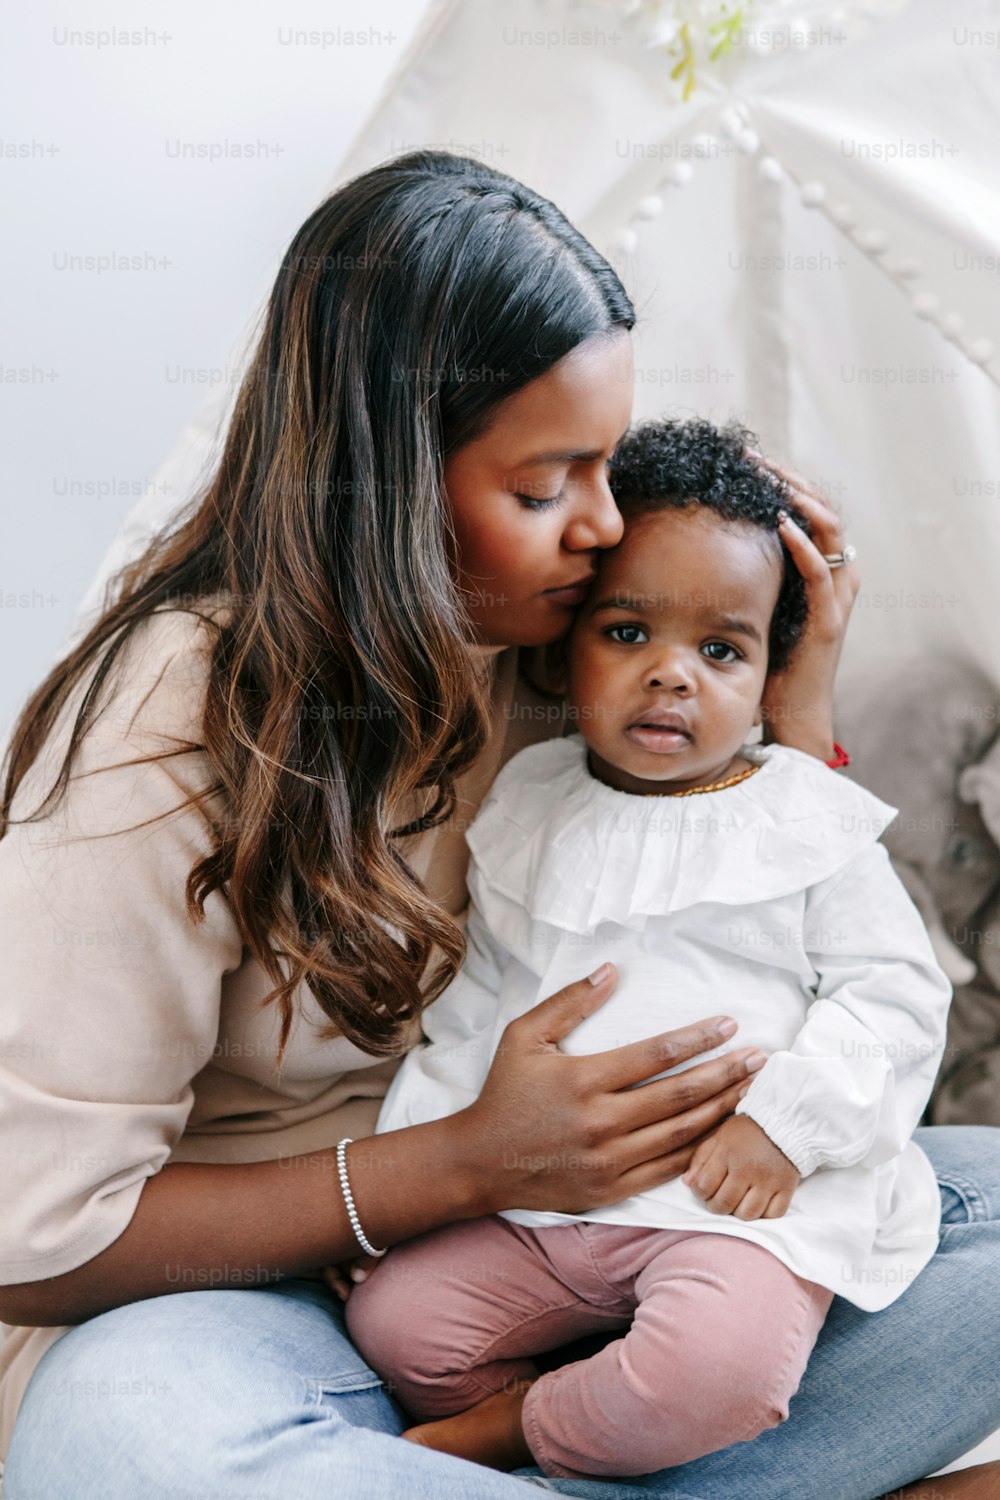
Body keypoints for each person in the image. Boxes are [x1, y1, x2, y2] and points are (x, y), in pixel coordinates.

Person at [0, 152, 997, 1500]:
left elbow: (834, 981)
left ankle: (559, 1446)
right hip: (286, 1303)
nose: (601, 529)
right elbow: (33, 1241)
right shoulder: (174, 717)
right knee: (124, 1443)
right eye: (542, 490)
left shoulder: (571, 656)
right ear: (387, 485)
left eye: (604, 467)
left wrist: (790, 715)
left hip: (640, 1240)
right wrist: (465, 1165)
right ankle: (609, 1449)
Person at [344, 417, 953, 1482]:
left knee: (719, 1374)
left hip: (735, 1209)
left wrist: (785, 1127)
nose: (672, 676)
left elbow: (897, 999)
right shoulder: (529, 803)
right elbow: (475, 1005)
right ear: (562, 643)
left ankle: (520, 1433)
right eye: (628, 633)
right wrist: (425, 1184)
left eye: (720, 649)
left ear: (771, 675)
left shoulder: (805, 815)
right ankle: (588, 1419)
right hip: (546, 1206)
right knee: (401, 1329)